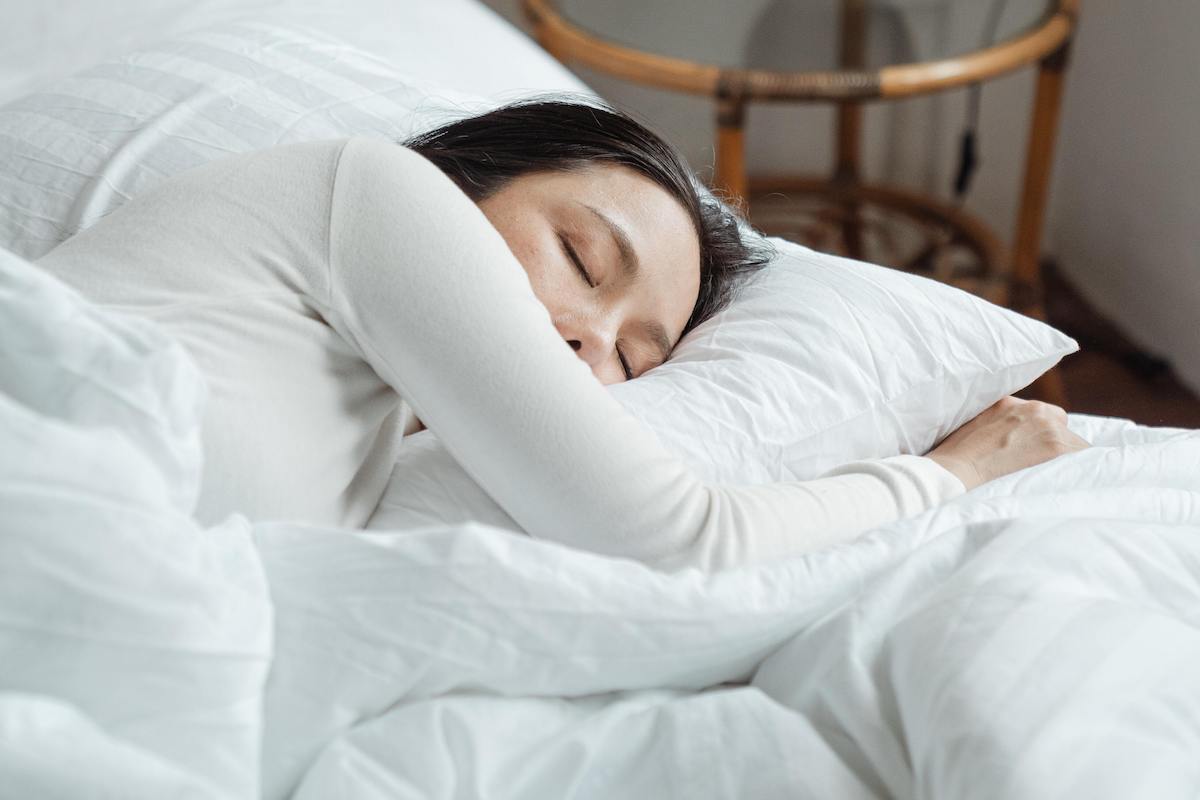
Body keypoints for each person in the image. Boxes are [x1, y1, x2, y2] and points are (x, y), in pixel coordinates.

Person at [36, 100, 1088, 571]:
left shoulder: (366, 423)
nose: (588, 342)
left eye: (634, 358)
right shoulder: (375, 189)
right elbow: (681, 535)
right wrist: (946, 473)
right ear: (461, 177)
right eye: (584, 261)